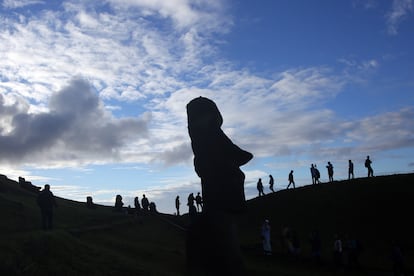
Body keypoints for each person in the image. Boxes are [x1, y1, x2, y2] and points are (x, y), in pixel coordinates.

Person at [186, 96, 253, 275]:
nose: (240, 176)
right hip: (218, 203)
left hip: (217, 204)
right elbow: (237, 156)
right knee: (226, 252)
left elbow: (237, 156)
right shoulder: (210, 141)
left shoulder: (208, 141)